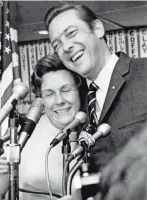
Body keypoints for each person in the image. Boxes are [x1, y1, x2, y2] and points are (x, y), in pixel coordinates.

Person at [44, 4, 147, 170]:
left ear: (98, 29)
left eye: (71, 33)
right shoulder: (77, 100)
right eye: (56, 45)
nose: (66, 47)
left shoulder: (144, 73)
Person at [0, 54, 87, 200]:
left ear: (79, 91)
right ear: (41, 98)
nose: (59, 101)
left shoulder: (97, 127)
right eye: (49, 94)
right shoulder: (23, 134)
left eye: (66, 90)